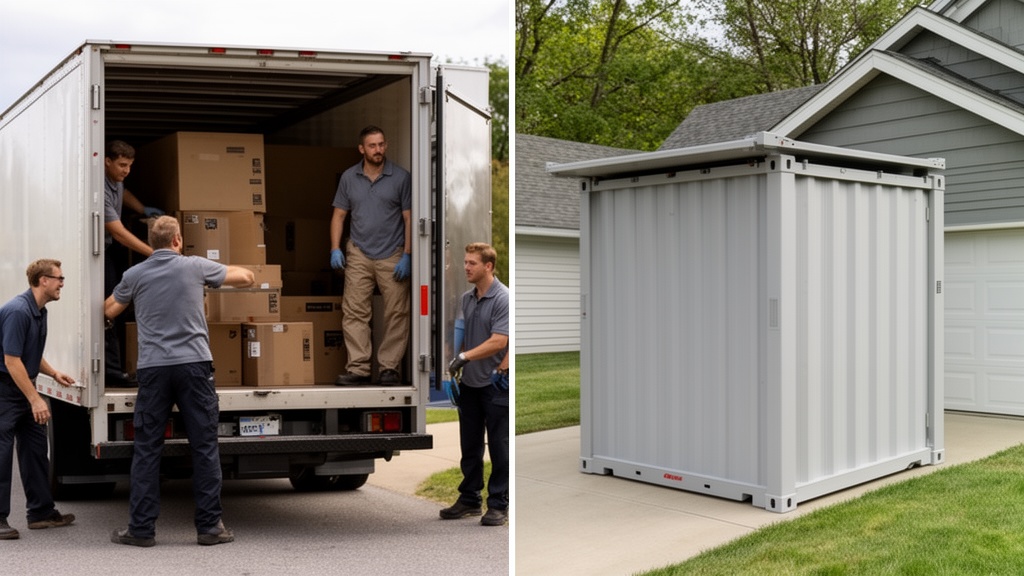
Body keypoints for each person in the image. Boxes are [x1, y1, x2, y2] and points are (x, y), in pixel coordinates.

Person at [104, 216, 255, 547]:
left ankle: (141, 530)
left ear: (153, 243)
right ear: (177, 241)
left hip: (154, 368)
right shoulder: (195, 267)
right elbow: (245, 277)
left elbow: (110, 310)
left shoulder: (134, 275)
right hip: (194, 366)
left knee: (147, 449)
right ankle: (209, 527)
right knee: (203, 446)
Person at [0, 259, 78, 540]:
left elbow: (27, 352)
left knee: (35, 450)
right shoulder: (18, 311)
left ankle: (41, 513)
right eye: (59, 278)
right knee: (2, 454)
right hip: (7, 391)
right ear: (42, 280)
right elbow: (11, 361)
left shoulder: (39, 311)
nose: (62, 283)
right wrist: (35, 399)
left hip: (23, 387)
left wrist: (54, 372)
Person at [329, 125, 412, 386]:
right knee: (354, 312)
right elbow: (339, 215)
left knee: (396, 313)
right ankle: (358, 368)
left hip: (392, 253)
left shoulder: (400, 177)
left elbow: (408, 218)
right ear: (362, 149)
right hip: (359, 253)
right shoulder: (348, 178)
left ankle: (389, 368)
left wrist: (407, 254)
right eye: (373, 146)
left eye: (382, 144)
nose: (379, 150)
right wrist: (335, 248)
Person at [441, 243, 510, 527]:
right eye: (466, 262)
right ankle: (469, 499)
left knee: (499, 446)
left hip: (496, 382)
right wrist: (450, 371)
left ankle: (498, 505)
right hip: (470, 383)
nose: (466, 267)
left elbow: (500, 340)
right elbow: (462, 333)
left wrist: (464, 357)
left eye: (472, 263)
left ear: (488, 266)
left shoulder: (503, 298)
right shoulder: (468, 299)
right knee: (470, 445)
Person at [104, 140, 163, 386]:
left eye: (129, 165)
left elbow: (124, 192)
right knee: (108, 311)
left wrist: (142, 209)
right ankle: (112, 373)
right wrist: (154, 253)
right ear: (107, 161)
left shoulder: (116, 180)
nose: (126, 170)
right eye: (122, 165)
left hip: (109, 249)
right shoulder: (99, 188)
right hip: (98, 254)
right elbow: (117, 231)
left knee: (118, 304)